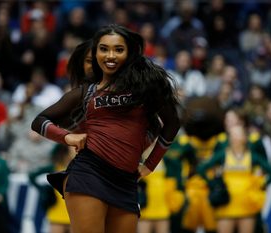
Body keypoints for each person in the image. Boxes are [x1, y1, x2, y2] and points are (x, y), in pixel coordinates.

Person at [31, 24, 181, 233]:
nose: (110, 55)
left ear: (129, 53)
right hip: (89, 173)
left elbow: (172, 123)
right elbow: (39, 121)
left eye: (118, 49)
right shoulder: (86, 93)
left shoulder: (148, 85)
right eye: (103, 49)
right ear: (95, 53)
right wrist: (67, 138)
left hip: (126, 182)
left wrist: (150, 164)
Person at [198, 125, 271, 233]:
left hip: (246, 206)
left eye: (238, 134)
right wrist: (213, 184)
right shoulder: (223, 155)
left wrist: (261, 184)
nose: (235, 138)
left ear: (244, 138)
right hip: (226, 205)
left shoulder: (252, 156)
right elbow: (202, 168)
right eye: (232, 135)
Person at [29, 144, 75, 233]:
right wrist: (42, 188)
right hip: (56, 212)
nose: (75, 150)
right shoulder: (54, 167)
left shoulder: (80, 168)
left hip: (75, 214)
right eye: (72, 147)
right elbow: (32, 176)